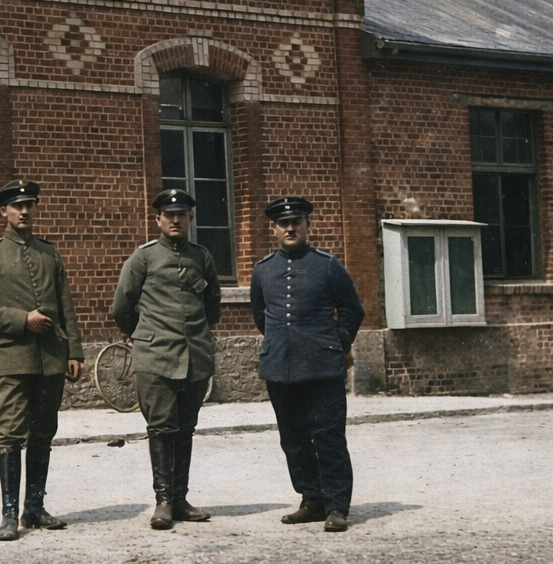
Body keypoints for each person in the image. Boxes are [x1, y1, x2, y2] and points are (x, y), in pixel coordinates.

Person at [0, 179, 85, 541]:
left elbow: (66, 305)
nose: (24, 211)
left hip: (50, 359)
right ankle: (9, 514)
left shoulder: (48, 253)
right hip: (12, 359)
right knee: (10, 435)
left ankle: (34, 507)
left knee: (43, 434)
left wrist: (75, 351)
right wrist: (24, 320)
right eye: (16, 206)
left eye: (29, 205)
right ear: (2, 211)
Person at [249, 195, 366, 532]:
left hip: (322, 368)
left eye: (295, 222)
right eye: (283, 223)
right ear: (273, 229)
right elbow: (262, 315)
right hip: (280, 369)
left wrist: (334, 346)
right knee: (294, 439)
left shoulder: (327, 265)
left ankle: (336, 506)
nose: (289, 227)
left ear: (306, 226)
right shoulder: (263, 270)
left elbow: (352, 310)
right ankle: (311, 500)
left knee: (328, 437)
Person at [111, 188, 223, 530]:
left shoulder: (201, 257)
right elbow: (121, 308)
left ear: (189, 218)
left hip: (194, 358)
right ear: (158, 219)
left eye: (182, 214)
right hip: (155, 359)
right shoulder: (143, 258)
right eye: (168, 215)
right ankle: (162, 501)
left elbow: (212, 306)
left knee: (186, 428)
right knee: (161, 428)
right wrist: (146, 336)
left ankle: (180, 499)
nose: (175, 220)